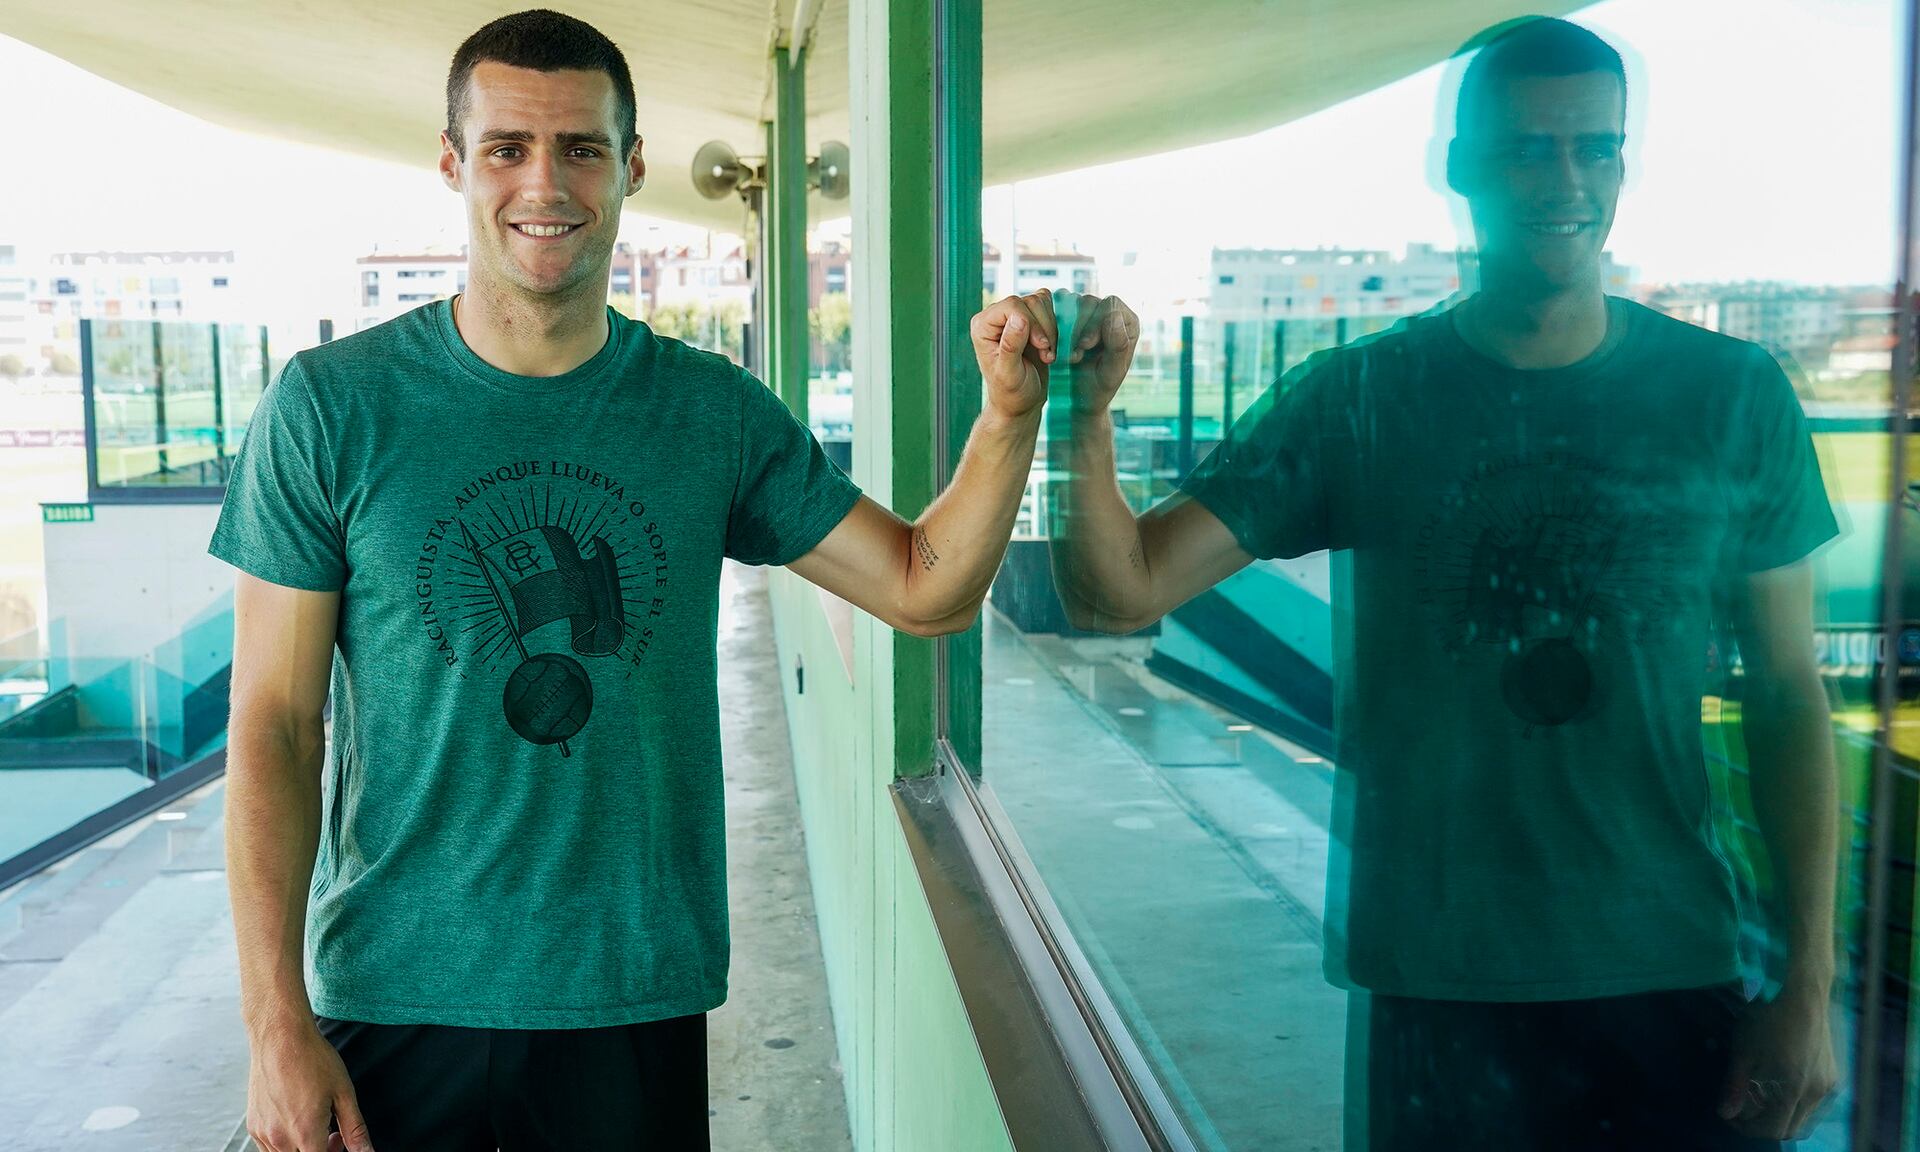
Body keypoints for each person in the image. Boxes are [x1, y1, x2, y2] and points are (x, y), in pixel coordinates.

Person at [214, 10, 1114, 1151]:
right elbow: (277, 730)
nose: (546, 183)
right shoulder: (333, 407)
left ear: (631, 165)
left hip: (631, 994)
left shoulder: (708, 413)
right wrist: (273, 1023)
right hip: (393, 993)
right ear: (452, 164)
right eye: (506, 148)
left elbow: (923, 587)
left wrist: (1009, 419)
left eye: (582, 147)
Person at [1049, 16, 1840, 1150]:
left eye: (1594, 148)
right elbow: (1119, 594)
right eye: (1528, 148)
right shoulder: (1360, 399)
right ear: (1460, 168)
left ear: (1621, 166)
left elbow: (1786, 693)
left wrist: (1807, 985)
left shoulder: (1730, 394)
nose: (1564, 179)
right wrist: (1082, 418)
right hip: (1443, 986)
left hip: (1671, 968)